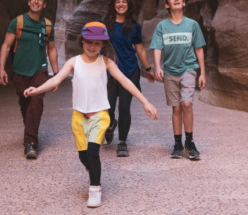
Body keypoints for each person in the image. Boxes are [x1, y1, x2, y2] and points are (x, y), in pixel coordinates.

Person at [24, 22, 158, 208]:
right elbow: (56, 79)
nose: (92, 46)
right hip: (79, 117)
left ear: (103, 45)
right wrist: (37, 89)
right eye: (89, 41)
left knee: (93, 151)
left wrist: (146, 102)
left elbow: (125, 82)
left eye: (97, 43)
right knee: (84, 157)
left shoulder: (106, 62)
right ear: (82, 41)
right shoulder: (73, 62)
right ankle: (92, 169)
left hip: (100, 115)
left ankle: (95, 189)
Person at [0, 0, 59, 159]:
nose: (36, 2)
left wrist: (56, 75)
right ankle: (30, 131)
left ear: (44, 4)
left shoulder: (47, 25)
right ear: (29, 2)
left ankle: (30, 143)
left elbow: (52, 49)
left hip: (40, 69)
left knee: (36, 100)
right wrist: (1, 68)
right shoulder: (17, 22)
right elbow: (6, 46)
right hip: (20, 71)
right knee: (26, 104)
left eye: (40, 0)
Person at [150, 0, 206, 160]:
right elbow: (158, 47)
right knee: (176, 108)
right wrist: (157, 66)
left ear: (184, 3)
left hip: (188, 69)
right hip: (170, 71)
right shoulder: (162, 26)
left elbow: (199, 49)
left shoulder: (192, 25)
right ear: (167, 5)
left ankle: (189, 143)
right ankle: (177, 144)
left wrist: (202, 73)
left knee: (186, 104)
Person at [100, 0, 156, 157]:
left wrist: (148, 69)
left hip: (130, 70)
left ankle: (122, 142)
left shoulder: (134, 26)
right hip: (109, 72)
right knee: (108, 108)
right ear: (114, 5)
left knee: (124, 107)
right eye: (118, 2)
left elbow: (139, 50)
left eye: (124, 2)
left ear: (128, 5)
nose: (121, 4)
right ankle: (110, 125)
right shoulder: (104, 23)